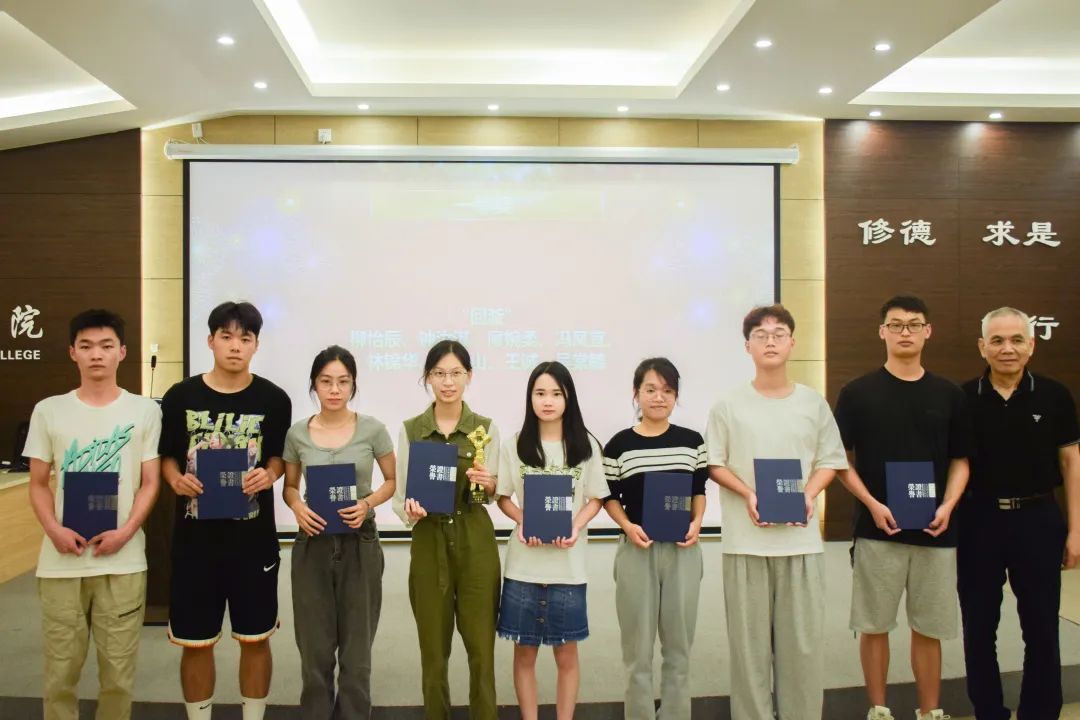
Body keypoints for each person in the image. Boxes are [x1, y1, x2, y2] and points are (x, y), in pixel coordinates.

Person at [706, 304, 847, 720]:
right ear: (747, 346)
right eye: (761, 335)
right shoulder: (728, 405)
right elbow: (714, 463)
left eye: (779, 333)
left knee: (802, 651)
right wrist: (747, 493)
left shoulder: (812, 403)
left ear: (792, 343)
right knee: (748, 653)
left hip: (801, 545)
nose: (770, 341)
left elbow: (830, 460)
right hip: (745, 546)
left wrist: (808, 494)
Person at [834, 295, 972, 720]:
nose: (905, 332)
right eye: (896, 325)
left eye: (914, 324)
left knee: (929, 628)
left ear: (928, 331)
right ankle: (878, 709)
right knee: (873, 624)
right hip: (878, 529)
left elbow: (961, 461)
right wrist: (872, 504)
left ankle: (930, 711)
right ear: (882, 332)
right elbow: (838, 461)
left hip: (936, 530)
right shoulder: (857, 393)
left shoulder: (950, 394)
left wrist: (948, 505)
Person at [25, 309, 161, 720]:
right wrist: (53, 530)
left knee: (118, 676)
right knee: (60, 674)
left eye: (106, 346)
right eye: (86, 346)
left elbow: (150, 482)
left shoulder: (145, 411)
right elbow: (38, 483)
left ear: (122, 352)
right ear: (73, 353)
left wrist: (127, 531)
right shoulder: (48, 410)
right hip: (61, 561)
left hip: (123, 560)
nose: (96, 354)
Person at [158, 301, 292, 720]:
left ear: (256, 345)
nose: (235, 346)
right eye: (227, 336)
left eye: (245, 338)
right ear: (210, 340)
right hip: (195, 544)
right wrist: (175, 480)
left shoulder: (274, 399)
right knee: (196, 642)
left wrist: (269, 475)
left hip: (253, 543)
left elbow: (278, 458)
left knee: (255, 638)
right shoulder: (180, 397)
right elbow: (167, 457)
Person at [958, 307, 1080, 720]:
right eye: (997, 340)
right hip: (978, 522)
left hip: (1038, 519)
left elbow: (1071, 462)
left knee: (1042, 627)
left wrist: (1076, 530)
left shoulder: (1054, 395)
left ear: (1031, 345)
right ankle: (989, 711)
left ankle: (1039, 712)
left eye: (1015, 340)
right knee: (978, 628)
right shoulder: (963, 399)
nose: (1006, 348)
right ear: (982, 346)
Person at [283, 346, 396, 719]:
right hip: (312, 544)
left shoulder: (373, 430)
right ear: (314, 384)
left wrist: (367, 504)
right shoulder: (297, 433)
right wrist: (297, 507)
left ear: (353, 385)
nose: (334, 389)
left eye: (343, 382)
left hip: (359, 543)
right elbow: (290, 487)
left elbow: (391, 481)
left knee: (356, 651)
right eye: (326, 381)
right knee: (314, 648)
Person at [391, 340, 501, 720]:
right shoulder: (412, 430)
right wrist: (410, 510)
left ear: (469, 376)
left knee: (481, 651)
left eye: (455, 373)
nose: (448, 382)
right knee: (433, 654)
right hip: (428, 541)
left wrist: (490, 484)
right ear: (428, 378)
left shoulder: (485, 429)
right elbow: (401, 496)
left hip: (475, 542)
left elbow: (495, 492)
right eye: (439, 373)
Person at [495, 361, 609, 720]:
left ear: (568, 398)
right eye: (540, 393)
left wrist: (576, 526)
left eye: (556, 394)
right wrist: (522, 519)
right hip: (523, 568)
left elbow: (596, 498)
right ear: (530, 397)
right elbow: (503, 497)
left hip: (568, 569)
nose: (547, 401)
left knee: (567, 656)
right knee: (524, 655)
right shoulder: (515, 445)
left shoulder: (586, 445)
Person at [602, 357, 706, 720]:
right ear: (636, 393)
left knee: (679, 649)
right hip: (636, 551)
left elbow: (698, 490)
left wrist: (698, 522)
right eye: (650, 389)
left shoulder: (692, 442)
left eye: (667, 390)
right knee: (637, 651)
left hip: (682, 551)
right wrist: (627, 526)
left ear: (676, 396)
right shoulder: (618, 445)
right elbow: (609, 497)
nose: (659, 397)